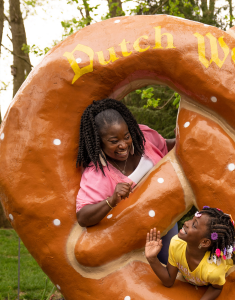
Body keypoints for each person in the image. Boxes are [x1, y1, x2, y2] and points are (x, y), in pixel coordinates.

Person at [75, 98, 177, 264]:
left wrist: (183, 138)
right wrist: (112, 200)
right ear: (98, 143)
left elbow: (165, 146)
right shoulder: (97, 173)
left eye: (126, 136)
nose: (123, 145)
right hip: (132, 238)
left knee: (174, 266)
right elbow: (83, 216)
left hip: (166, 222)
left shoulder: (143, 137)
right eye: (114, 141)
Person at [145, 207, 235, 300]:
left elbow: (216, 288)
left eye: (194, 225)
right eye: (192, 219)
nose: (186, 222)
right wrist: (152, 259)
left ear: (204, 242)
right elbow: (168, 281)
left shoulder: (214, 270)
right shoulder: (176, 244)